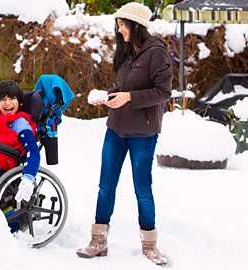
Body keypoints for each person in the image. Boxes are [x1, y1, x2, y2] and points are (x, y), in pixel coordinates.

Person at [76, 2, 172, 266]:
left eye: (122, 23)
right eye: (117, 24)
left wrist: (128, 97)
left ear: (136, 25)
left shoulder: (156, 52)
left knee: (142, 188)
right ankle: (98, 241)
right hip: (115, 129)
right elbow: (123, 88)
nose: (118, 29)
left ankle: (150, 245)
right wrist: (107, 97)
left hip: (143, 132)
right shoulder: (127, 52)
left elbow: (163, 92)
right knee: (105, 186)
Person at [0, 80, 40, 205]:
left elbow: (33, 151)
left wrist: (28, 178)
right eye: (3, 99)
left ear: (20, 102)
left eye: (12, 98)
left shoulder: (20, 123)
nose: (7, 103)